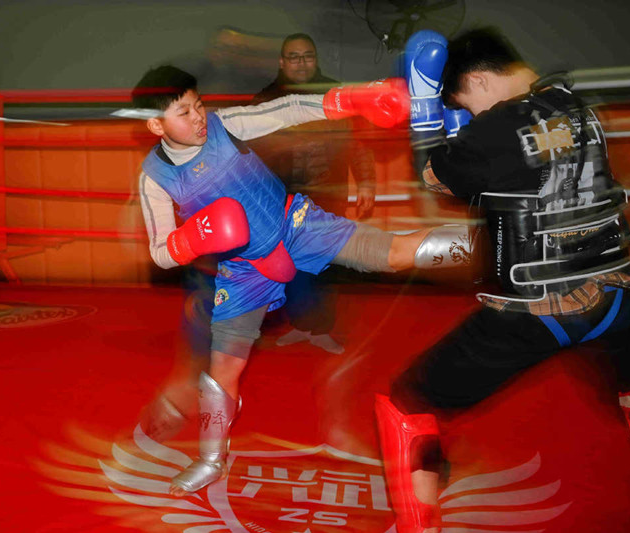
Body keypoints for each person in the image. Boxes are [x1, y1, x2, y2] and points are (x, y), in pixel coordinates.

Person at [374, 28, 630, 532]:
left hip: (538, 308)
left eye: (467, 103)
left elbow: (435, 178)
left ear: (477, 79)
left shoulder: (499, 126)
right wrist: (467, 131)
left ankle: (418, 527)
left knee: (409, 400)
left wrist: (427, 106)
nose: (471, 115)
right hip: (615, 292)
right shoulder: (580, 108)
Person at [130, 64, 475, 497]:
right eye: (184, 112)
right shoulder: (155, 178)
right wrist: (194, 237)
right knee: (220, 376)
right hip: (242, 271)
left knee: (393, 253)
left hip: (296, 225)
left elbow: (287, 109)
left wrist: (350, 100)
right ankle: (211, 460)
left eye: (198, 104)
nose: (198, 117)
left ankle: (487, 246)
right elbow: (160, 252)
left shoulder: (226, 126)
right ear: (154, 124)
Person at [250, 33, 377, 354]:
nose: (301, 62)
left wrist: (366, 182)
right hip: (281, 198)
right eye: (294, 57)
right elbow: (248, 151)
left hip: (327, 194)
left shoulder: (336, 95)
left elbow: (357, 143)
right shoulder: (266, 100)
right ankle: (301, 323)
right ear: (282, 62)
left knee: (324, 262)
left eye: (307, 56)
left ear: (316, 59)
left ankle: (321, 327)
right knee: (287, 265)